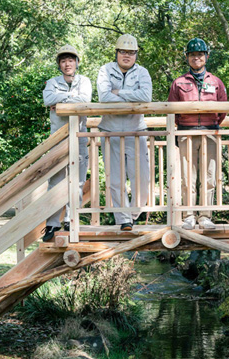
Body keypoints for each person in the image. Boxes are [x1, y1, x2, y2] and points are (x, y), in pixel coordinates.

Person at [168, 38, 227, 230]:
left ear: (206, 57)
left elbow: (224, 108)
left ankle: (205, 216)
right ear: (187, 58)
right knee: (188, 176)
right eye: (192, 55)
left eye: (200, 54)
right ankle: (189, 215)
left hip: (210, 133)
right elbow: (172, 110)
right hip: (186, 133)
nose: (196, 58)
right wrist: (183, 125)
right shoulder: (179, 83)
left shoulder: (216, 82)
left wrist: (214, 124)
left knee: (209, 176)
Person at [97, 34, 152, 231]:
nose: (126, 56)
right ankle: (123, 220)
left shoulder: (142, 72)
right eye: (123, 52)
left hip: (136, 130)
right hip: (110, 131)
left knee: (142, 178)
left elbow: (146, 97)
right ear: (117, 53)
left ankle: (133, 214)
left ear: (136, 54)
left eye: (131, 52)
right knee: (115, 178)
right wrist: (131, 98)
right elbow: (104, 97)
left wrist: (118, 93)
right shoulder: (105, 70)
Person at [41, 45, 92, 242]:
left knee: (77, 181)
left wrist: (61, 102)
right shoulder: (52, 82)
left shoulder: (84, 81)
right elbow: (48, 99)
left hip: (78, 137)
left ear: (77, 62)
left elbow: (84, 100)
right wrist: (70, 98)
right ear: (59, 64)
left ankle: (72, 220)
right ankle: (52, 225)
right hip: (57, 139)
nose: (67, 64)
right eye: (63, 61)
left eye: (71, 60)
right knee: (55, 182)